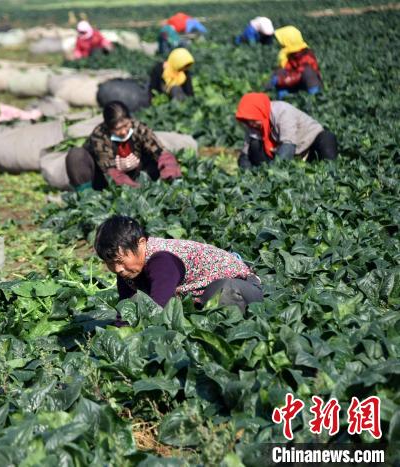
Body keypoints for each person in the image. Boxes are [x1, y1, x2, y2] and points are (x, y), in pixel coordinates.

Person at [94, 216, 263, 318]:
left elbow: (157, 308)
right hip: (199, 300)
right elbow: (126, 309)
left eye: (120, 260)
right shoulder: (127, 271)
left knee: (226, 291)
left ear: (141, 244)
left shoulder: (162, 260)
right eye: (110, 263)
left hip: (244, 287)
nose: (117, 269)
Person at [65, 101, 182, 191]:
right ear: (109, 128)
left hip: (137, 173)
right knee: (76, 155)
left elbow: (159, 151)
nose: (124, 132)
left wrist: (169, 170)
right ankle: (86, 198)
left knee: (160, 159)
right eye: (118, 129)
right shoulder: (100, 136)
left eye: (126, 125)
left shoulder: (138, 127)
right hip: (104, 178)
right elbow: (110, 172)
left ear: (130, 119)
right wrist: (133, 189)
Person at [235, 92, 338, 168]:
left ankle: (329, 171)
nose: (251, 124)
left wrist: (274, 173)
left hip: (309, 144)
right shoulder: (253, 125)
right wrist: (247, 175)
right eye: (248, 121)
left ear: (260, 112)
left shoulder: (283, 111)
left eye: (253, 120)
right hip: (286, 153)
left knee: (327, 138)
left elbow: (288, 145)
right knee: (254, 146)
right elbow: (246, 153)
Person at [269, 26, 322, 98]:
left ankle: (314, 96)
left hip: (306, 84)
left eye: (282, 42)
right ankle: (283, 96)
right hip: (296, 83)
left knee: (307, 72)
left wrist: (279, 81)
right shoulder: (289, 54)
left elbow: (299, 74)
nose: (280, 44)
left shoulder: (306, 55)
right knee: (279, 71)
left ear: (288, 41)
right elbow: (286, 69)